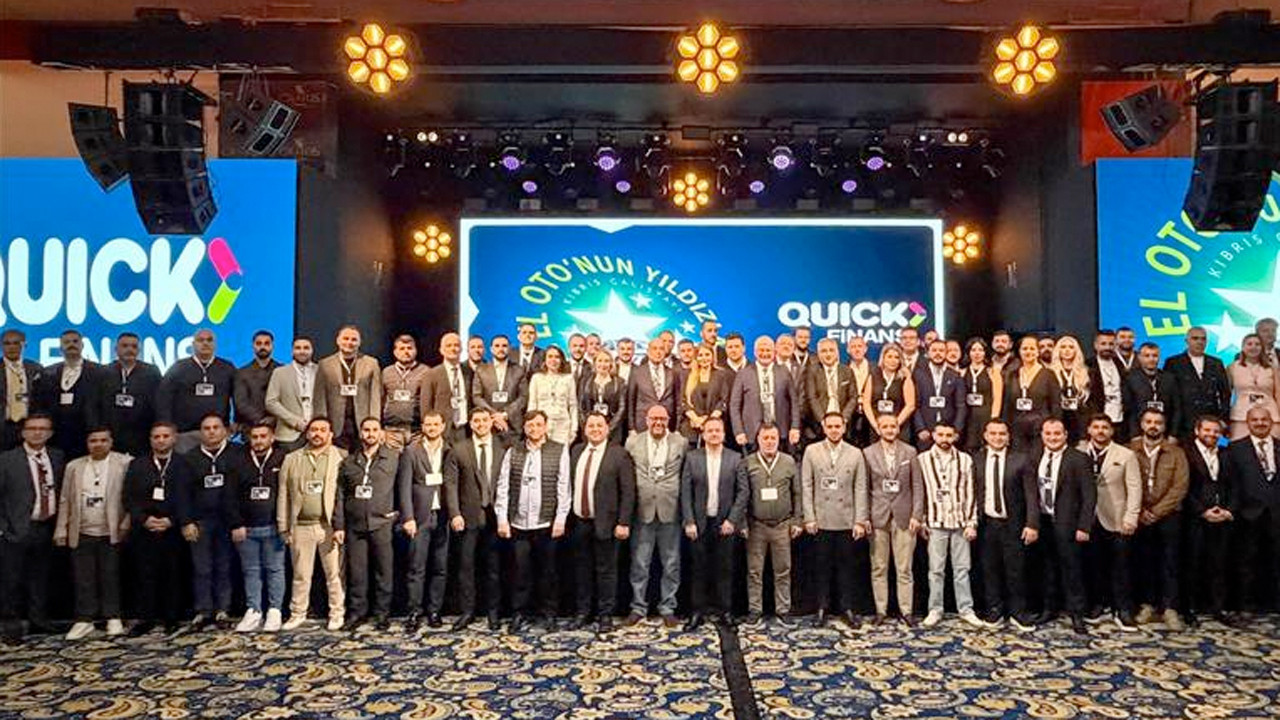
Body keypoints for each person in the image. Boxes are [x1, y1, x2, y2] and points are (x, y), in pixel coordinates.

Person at [495, 410, 570, 632]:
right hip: (519, 524)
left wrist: (560, 519)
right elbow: (503, 486)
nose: (534, 429)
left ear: (545, 427)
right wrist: (502, 519)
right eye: (530, 425)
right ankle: (519, 614)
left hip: (546, 524)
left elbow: (564, 487)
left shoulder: (559, 450)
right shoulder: (513, 451)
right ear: (524, 428)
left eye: (538, 425)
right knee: (520, 573)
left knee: (549, 573)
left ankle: (549, 615)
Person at [52, 427, 128, 640]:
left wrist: (125, 524)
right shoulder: (74, 466)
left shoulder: (123, 463)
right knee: (83, 577)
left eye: (103, 440)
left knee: (110, 575)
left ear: (111, 442)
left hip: (111, 530)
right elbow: (65, 499)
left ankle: (113, 616)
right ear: (87, 444)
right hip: (82, 530)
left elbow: (132, 497)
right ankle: (84, 620)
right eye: (93, 440)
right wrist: (61, 528)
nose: (98, 444)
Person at [278, 416, 346, 632]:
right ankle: (298, 613)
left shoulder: (341, 457)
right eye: (314, 430)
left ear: (330, 434)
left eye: (323, 430)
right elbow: (283, 494)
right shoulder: (291, 459)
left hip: (328, 527)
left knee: (334, 574)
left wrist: (340, 526)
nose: (318, 434)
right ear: (307, 433)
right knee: (301, 575)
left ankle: (336, 613)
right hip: (300, 526)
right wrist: (283, 526)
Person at [801, 412, 868, 628]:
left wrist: (860, 520)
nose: (834, 430)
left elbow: (860, 488)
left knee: (846, 568)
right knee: (821, 567)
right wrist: (809, 517)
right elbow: (806, 486)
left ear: (844, 427)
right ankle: (821, 607)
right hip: (821, 519)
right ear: (823, 427)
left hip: (846, 520)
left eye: (837, 426)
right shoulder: (811, 451)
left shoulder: (855, 453)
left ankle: (847, 608)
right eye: (830, 426)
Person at [569, 412, 635, 632]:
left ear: (607, 429)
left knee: (606, 571)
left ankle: (605, 615)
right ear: (585, 429)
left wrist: (624, 522)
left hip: (607, 524)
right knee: (581, 570)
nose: (595, 429)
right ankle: (583, 613)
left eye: (599, 425)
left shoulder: (619, 454)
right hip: (580, 522)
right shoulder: (576, 451)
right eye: (591, 426)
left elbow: (628, 492)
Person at [123, 421, 190, 636]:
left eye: (165, 436)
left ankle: (172, 618)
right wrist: (144, 519)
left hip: (172, 528)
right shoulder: (137, 465)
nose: (161, 440)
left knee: (173, 574)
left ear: (174, 438)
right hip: (145, 529)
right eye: (156, 437)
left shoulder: (183, 464)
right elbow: (128, 497)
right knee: (144, 575)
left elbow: (189, 496)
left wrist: (173, 520)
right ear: (150, 440)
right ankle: (146, 618)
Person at [178, 413, 244, 630]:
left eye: (216, 427)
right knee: (202, 568)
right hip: (200, 522)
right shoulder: (189, 458)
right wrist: (186, 521)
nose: (212, 432)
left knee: (224, 566)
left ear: (225, 431)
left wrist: (239, 521)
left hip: (228, 521)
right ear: (201, 432)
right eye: (207, 428)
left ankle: (223, 610)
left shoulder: (237, 454)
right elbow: (182, 494)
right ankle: (203, 611)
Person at [681, 416, 747, 630]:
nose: (714, 434)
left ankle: (725, 612)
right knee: (698, 569)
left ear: (724, 434)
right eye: (709, 431)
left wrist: (732, 520)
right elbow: (685, 492)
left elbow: (743, 492)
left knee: (724, 569)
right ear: (703, 434)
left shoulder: (735, 458)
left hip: (725, 523)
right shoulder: (692, 458)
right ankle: (697, 612)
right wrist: (689, 521)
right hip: (699, 524)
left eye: (718, 430)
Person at [444, 408, 507, 631]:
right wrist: (455, 513)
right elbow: (450, 484)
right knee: (466, 567)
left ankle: (493, 613)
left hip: (495, 517)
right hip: (467, 516)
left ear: (491, 422)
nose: (481, 424)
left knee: (494, 568)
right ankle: (467, 612)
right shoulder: (459, 449)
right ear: (470, 424)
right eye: (476, 421)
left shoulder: (503, 448)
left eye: (484, 420)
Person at [624, 404, 686, 627]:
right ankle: (638, 607)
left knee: (671, 563)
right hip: (642, 510)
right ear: (647, 420)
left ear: (668, 420)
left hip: (670, 510)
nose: (658, 423)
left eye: (662, 419)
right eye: (654, 419)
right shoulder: (633, 442)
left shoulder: (680, 442)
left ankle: (668, 607)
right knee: (640, 563)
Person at [917, 423, 984, 628]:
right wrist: (922, 520)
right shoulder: (922, 460)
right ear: (933, 435)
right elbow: (920, 493)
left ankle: (966, 609)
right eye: (941, 435)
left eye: (948, 435)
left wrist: (971, 523)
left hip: (960, 522)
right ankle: (935, 610)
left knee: (962, 569)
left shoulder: (965, 459)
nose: (944, 439)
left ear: (955, 437)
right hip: (935, 522)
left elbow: (971, 493)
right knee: (935, 570)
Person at [973, 419, 1037, 630]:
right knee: (989, 569)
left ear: (1008, 437)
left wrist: (1032, 523)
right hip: (987, 524)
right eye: (993, 433)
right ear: (985, 436)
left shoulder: (1021, 459)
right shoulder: (976, 460)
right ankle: (995, 610)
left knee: (1015, 570)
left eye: (1002, 433)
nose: (997, 437)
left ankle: (1018, 612)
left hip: (1014, 524)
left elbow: (1031, 495)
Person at [1033, 418, 1095, 635]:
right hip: (1043, 521)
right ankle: (1049, 609)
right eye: (1048, 433)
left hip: (1069, 523)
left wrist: (1084, 526)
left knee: (1072, 570)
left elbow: (1089, 495)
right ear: (1042, 435)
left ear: (1065, 435)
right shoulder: (1035, 456)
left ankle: (1076, 614)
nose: (1053, 438)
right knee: (1047, 568)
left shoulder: (1079, 459)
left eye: (1057, 433)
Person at [336, 417, 399, 631]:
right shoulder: (348, 462)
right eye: (366, 430)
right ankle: (357, 613)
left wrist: (398, 515)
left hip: (382, 523)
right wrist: (339, 525)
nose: (370, 434)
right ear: (361, 433)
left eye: (374, 430)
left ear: (381, 433)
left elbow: (403, 487)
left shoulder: (393, 458)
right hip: (355, 526)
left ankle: (382, 614)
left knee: (384, 571)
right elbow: (340, 495)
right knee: (357, 572)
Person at [1079, 414, 1140, 632]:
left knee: (1120, 567)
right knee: (1093, 565)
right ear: (1089, 430)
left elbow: (1135, 488)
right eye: (1096, 427)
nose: (1100, 431)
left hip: (1116, 518)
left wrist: (1131, 517)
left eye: (1105, 427)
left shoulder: (1126, 455)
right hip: (1087, 519)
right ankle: (1098, 605)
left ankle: (1122, 609)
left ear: (1111, 431)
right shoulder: (1079, 452)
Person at [1129, 409, 1188, 630]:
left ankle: (1170, 608)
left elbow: (1180, 486)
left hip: (1169, 515)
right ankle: (1147, 605)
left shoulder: (1176, 453)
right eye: (1149, 421)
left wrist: (1157, 511)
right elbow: (1125, 482)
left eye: (1158, 422)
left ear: (1164, 427)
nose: (1153, 426)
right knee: (1144, 561)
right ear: (1142, 425)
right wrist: (1141, 510)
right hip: (1140, 514)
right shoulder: (1129, 450)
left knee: (1170, 562)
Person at [863, 414, 922, 626]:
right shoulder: (868, 453)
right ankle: (881, 611)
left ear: (898, 428)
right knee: (879, 567)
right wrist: (864, 516)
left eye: (893, 426)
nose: (889, 430)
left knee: (904, 568)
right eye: (885, 426)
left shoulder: (910, 452)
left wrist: (917, 515)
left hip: (905, 516)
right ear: (878, 429)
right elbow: (864, 488)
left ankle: (906, 611)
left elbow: (917, 486)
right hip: (878, 516)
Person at [230, 422, 287, 633]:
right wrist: (236, 523)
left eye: (263, 436)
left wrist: (285, 524)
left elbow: (288, 492)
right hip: (247, 529)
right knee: (251, 571)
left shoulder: (283, 459)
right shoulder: (238, 460)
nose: (259, 441)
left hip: (274, 527)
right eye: (255, 437)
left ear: (272, 438)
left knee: (275, 569)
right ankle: (253, 610)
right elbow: (229, 495)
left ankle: (275, 610)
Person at [743, 423, 802, 626]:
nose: (769, 442)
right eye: (765, 438)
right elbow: (743, 495)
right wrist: (743, 523)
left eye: (773, 438)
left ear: (779, 440)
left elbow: (797, 493)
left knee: (783, 570)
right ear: (758, 440)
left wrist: (797, 520)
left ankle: (783, 609)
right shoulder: (748, 462)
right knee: (754, 571)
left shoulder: (788, 461)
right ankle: (755, 609)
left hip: (782, 525)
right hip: (756, 526)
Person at [399, 411, 452, 631]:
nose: (432, 428)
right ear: (423, 426)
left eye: (435, 424)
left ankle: (434, 611)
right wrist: (408, 517)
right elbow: (404, 487)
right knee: (416, 568)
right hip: (419, 517)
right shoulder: (411, 451)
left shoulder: (450, 450)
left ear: (443, 426)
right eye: (428, 424)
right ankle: (414, 612)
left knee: (440, 568)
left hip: (443, 516)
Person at [1224, 406, 1280, 612]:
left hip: (1277, 514)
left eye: (1264, 419)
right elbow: (1230, 483)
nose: (1260, 423)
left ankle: (1273, 603)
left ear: (1271, 422)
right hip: (1247, 514)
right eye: (1255, 419)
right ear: (1247, 423)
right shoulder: (1234, 449)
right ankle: (1245, 604)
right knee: (1246, 561)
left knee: (1275, 561)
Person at [1184, 415, 1235, 626]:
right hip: (1195, 517)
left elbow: (1235, 485)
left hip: (1222, 516)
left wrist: (1228, 510)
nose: (1211, 434)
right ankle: (1189, 609)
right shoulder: (1186, 452)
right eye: (1207, 430)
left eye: (1216, 431)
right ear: (1197, 431)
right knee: (1193, 564)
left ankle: (1218, 608)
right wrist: (1202, 511)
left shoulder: (1226, 453)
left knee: (1219, 564)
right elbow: (1184, 487)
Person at [156, 329, 235, 454]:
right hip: (186, 434)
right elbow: (164, 399)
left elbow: (237, 396)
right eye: (200, 340)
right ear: (193, 344)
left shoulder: (227, 368)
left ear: (215, 344)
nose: (205, 343)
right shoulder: (179, 368)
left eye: (209, 340)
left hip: (218, 432)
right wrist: (167, 427)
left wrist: (236, 422)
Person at [36, 329, 104, 458]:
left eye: (75, 341)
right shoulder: (48, 373)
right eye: (66, 342)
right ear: (60, 347)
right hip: (55, 435)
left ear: (82, 345)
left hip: (87, 433)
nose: (71, 345)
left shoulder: (99, 372)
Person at [314, 325, 382, 451]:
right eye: (346, 338)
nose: (349, 342)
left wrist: (374, 424)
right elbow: (319, 398)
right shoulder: (325, 364)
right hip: (335, 424)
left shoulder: (371, 363)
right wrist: (322, 427)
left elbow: (375, 397)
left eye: (354, 339)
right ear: (338, 341)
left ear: (359, 342)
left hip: (362, 424)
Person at [730, 336, 801, 453]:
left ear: (774, 352)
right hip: (751, 434)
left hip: (780, 432)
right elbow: (734, 405)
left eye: (768, 350)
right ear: (755, 352)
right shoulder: (743, 374)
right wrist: (738, 431)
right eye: (761, 350)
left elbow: (794, 402)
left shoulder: (784, 372)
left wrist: (795, 427)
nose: (765, 353)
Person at [98, 332, 162, 457]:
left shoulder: (151, 372)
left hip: (142, 434)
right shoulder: (103, 372)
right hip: (112, 434)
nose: (129, 350)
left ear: (139, 350)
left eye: (134, 346)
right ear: (116, 349)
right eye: (125, 346)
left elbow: (158, 403)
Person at [1164, 327, 1231, 441]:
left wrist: (1222, 419)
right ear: (1187, 341)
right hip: (1183, 423)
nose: (1200, 342)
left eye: (1203, 339)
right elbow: (1168, 394)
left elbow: (1225, 394)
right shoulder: (1173, 363)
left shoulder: (1216, 363)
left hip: (1210, 422)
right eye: (1195, 338)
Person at [1004, 336, 1061, 450]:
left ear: (1038, 352)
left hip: (1040, 428)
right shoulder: (1012, 375)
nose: (1028, 352)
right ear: (1019, 351)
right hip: (1017, 429)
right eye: (1025, 349)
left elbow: (1055, 404)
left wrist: (1055, 427)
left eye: (1032, 348)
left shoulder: (1048, 375)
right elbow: (1007, 404)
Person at [911, 339, 969, 450]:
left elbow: (961, 406)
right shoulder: (918, 375)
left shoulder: (955, 376)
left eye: (941, 350)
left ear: (946, 353)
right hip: (926, 431)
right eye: (934, 350)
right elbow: (915, 405)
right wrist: (920, 428)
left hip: (949, 432)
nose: (938, 353)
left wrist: (957, 430)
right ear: (928, 353)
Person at [265, 336, 319, 452]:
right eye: (298, 348)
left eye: (306, 348)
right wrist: (295, 421)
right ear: (292, 351)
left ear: (312, 350)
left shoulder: (320, 371)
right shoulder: (280, 372)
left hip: (316, 433)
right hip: (288, 434)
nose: (302, 351)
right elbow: (271, 402)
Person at [472, 334, 527, 443]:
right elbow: (476, 397)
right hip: (487, 424)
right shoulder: (481, 370)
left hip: (513, 425)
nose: (501, 349)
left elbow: (523, 397)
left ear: (509, 348)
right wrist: (495, 416)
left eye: (504, 346)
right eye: (497, 346)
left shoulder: (519, 370)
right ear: (491, 349)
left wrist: (505, 415)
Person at [803, 338, 858, 447]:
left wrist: (843, 420)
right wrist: (823, 421)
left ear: (837, 353)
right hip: (819, 426)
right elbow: (811, 398)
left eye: (831, 350)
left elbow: (853, 397)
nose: (828, 354)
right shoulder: (812, 371)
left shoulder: (847, 371)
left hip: (844, 425)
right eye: (824, 351)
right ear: (818, 354)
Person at [1122, 343, 1180, 441]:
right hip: (1139, 433)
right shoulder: (1130, 378)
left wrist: (1173, 434)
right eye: (1147, 356)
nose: (1151, 359)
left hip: (1165, 433)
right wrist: (1134, 434)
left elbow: (1177, 408)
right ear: (1139, 357)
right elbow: (1129, 409)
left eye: (1155, 356)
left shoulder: (1169, 378)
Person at [1226, 333, 1279, 440]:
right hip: (1240, 417)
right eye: (1249, 344)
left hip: (1270, 416)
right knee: (1239, 448)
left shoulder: (1272, 368)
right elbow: (1226, 394)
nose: (1253, 347)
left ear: (1262, 348)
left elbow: (1278, 393)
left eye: (1257, 344)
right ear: (1243, 347)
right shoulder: (1232, 367)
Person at [381, 334, 429, 451]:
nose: (406, 352)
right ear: (395, 352)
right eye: (402, 348)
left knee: (414, 462)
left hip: (416, 431)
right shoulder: (386, 372)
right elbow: (379, 400)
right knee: (392, 462)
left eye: (409, 348)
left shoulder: (426, 371)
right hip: (391, 431)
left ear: (416, 351)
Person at [861, 342, 917, 439]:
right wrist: (875, 425)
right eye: (889, 357)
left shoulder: (905, 377)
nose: (893, 360)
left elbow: (910, 405)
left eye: (896, 357)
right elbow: (866, 403)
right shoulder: (873, 375)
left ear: (900, 360)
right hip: (876, 428)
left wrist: (893, 425)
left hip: (899, 427)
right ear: (883, 358)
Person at [423, 332, 472, 442]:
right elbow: (426, 406)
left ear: (461, 349)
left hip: (464, 430)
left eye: (456, 345)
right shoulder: (431, 374)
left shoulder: (469, 372)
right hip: (442, 431)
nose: (453, 349)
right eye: (448, 345)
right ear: (441, 350)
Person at [527, 346, 579, 445]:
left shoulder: (568, 378)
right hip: (541, 426)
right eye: (550, 356)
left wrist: (574, 429)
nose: (553, 360)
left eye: (557, 357)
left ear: (561, 360)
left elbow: (573, 405)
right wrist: (531, 426)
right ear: (545, 360)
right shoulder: (536, 378)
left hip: (563, 426)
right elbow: (532, 404)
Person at [680, 345, 732, 445]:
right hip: (692, 427)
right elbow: (683, 400)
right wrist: (696, 419)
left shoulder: (721, 375)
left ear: (712, 356)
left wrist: (710, 421)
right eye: (700, 355)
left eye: (707, 354)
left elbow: (724, 400)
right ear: (696, 357)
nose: (704, 358)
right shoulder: (686, 375)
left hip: (714, 426)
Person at [0, 329, 42, 452]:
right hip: (3, 425)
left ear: (25, 345)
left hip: (28, 426)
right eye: (7, 343)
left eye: (16, 343)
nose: (11, 347)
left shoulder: (36, 368)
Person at [628, 340, 678, 438]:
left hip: (667, 425)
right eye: (655, 349)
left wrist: (677, 428)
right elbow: (631, 401)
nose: (658, 352)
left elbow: (677, 402)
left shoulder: (673, 373)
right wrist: (631, 428)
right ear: (648, 351)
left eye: (661, 349)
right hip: (642, 425)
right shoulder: (637, 372)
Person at [960, 339, 1004, 452]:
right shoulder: (962, 372)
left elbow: (997, 398)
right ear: (968, 352)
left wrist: (994, 419)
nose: (977, 353)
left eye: (980, 350)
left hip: (986, 416)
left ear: (985, 353)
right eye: (973, 350)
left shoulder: (993, 372)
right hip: (967, 417)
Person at [233, 330, 280, 429]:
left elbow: (287, 400)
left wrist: (275, 418)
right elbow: (241, 403)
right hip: (250, 426)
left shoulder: (282, 371)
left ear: (272, 346)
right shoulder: (241, 373)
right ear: (253, 346)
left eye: (267, 343)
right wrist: (260, 420)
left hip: (278, 426)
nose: (262, 347)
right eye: (259, 343)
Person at [1086, 330, 1128, 439]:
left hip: (1119, 420)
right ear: (1096, 345)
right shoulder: (1088, 365)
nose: (1107, 347)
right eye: (1103, 344)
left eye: (1111, 344)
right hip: (1098, 420)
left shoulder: (1120, 364)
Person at [1050, 335, 1091, 444]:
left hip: (1080, 421)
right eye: (1063, 347)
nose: (1067, 350)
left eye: (1071, 347)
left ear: (1076, 351)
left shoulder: (1086, 372)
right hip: (1058, 420)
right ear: (1058, 351)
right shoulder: (1050, 373)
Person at [581, 351, 627, 445]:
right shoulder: (585, 381)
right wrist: (589, 425)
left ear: (611, 364)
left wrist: (608, 428)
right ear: (594, 363)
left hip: (613, 431)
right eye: (600, 360)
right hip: (591, 429)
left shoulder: (620, 382)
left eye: (606, 361)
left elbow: (622, 408)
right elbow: (581, 407)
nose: (603, 364)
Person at [846, 336, 874, 447]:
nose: (857, 349)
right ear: (848, 350)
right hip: (850, 416)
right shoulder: (843, 369)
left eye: (860, 346)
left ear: (865, 349)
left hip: (871, 415)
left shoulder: (876, 368)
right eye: (853, 347)